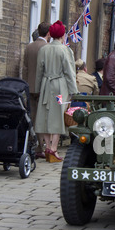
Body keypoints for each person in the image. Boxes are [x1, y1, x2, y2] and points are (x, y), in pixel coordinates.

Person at [35, 20, 78, 162]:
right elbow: (69, 72)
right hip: (60, 86)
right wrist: (73, 91)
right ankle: (53, 149)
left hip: (46, 85)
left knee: (45, 116)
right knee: (58, 116)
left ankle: (47, 147)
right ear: (63, 35)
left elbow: (39, 71)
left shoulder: (44, 49)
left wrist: (37, 88)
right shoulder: (65, 50)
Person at [22, 21, 51, 158]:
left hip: (29, 87)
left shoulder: (29, 47)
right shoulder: (48, 48)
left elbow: (25, 68)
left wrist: (25, 85)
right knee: (42, 119)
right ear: (49, 33)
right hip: (43, 88)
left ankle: (30, 143)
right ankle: (40, 147)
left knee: (32, 117)